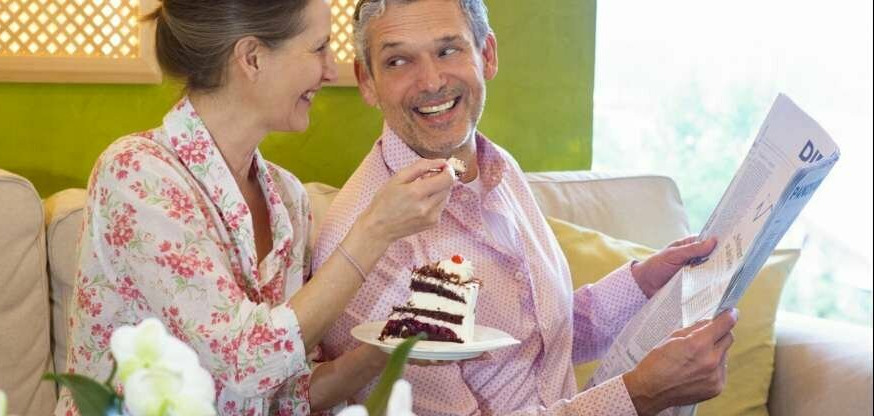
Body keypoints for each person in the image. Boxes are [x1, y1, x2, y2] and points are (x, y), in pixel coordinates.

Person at [312, 1, 737, 415]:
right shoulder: (361, 241)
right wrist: (641, 395)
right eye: (398, 61)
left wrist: (644, 281)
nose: (430, 81)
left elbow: (538, 339)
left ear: (487, 55)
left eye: (448, 50)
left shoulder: (495, 165)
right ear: (366, 80)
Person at [55, 0, 458, 414]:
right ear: (251, 58)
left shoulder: (287, 198)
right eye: (319, 48)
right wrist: (375, 229)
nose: (330, 70)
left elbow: (284, 395)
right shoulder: (137, 174)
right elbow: (245, 363)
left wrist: (388, 347)